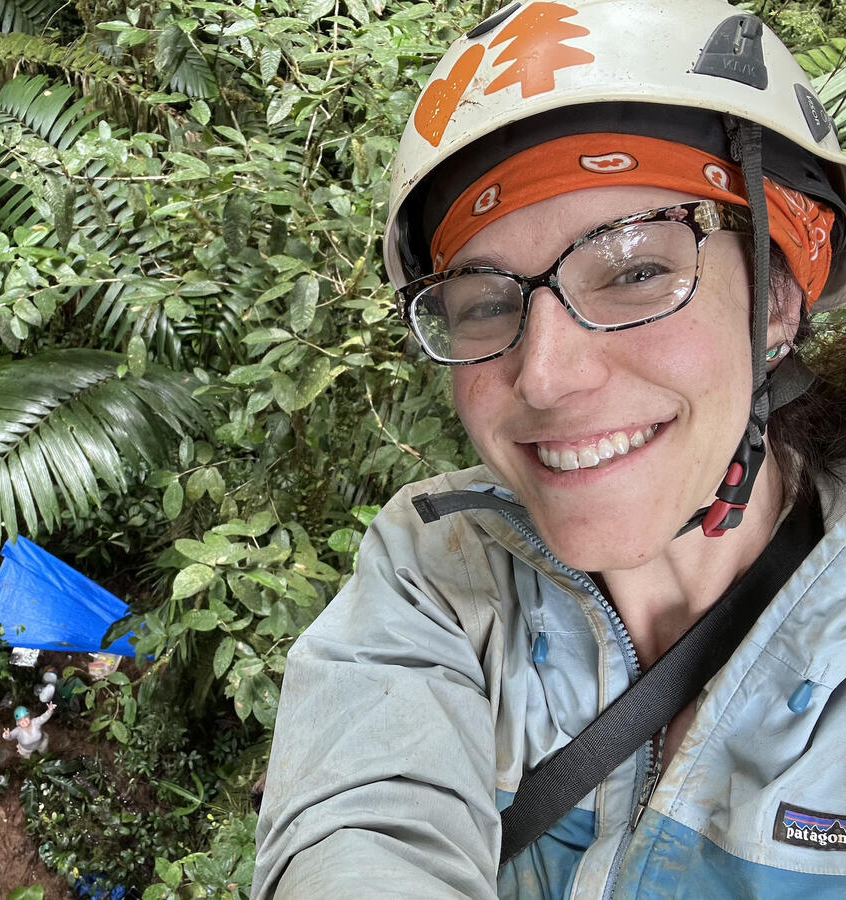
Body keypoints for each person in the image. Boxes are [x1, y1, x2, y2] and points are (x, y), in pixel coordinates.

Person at [254, 1, 846, 897]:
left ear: (775, 301)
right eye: (487, 300)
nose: (543, 376)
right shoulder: (445, 565)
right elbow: (365, 826)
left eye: (639, 270)